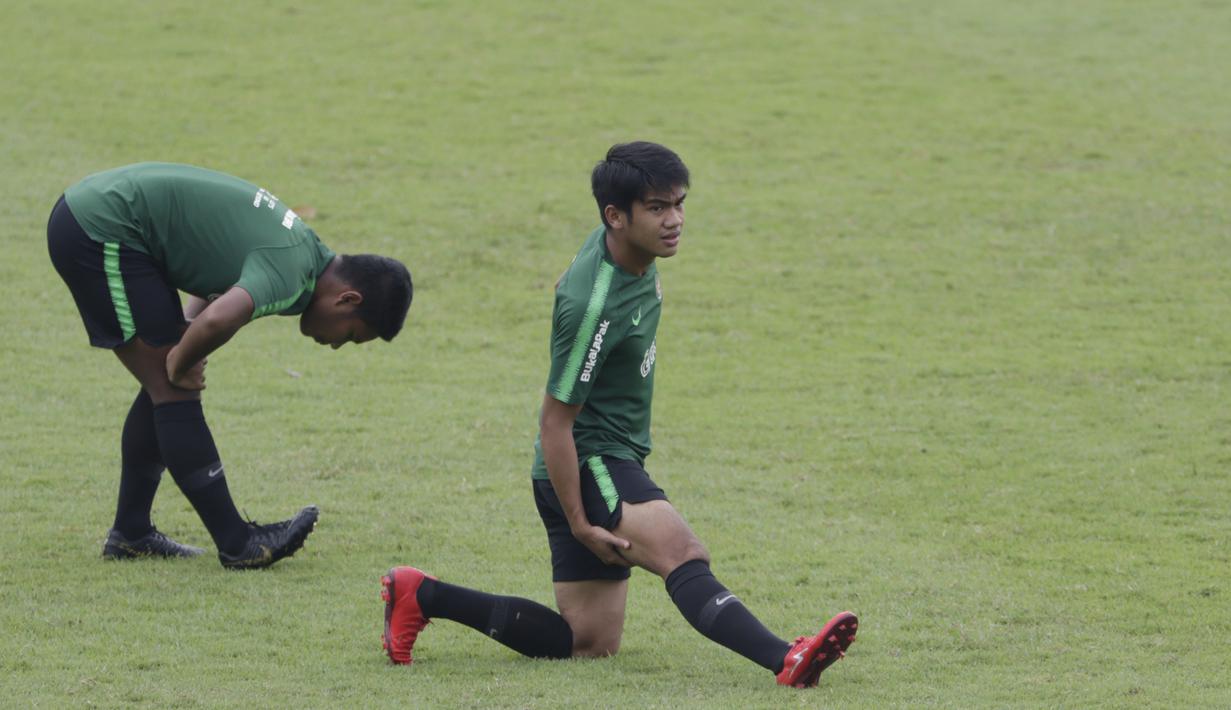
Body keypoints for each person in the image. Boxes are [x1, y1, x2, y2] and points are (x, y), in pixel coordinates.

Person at [380, 142, 855, 687]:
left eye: (678, 203)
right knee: (681, 551)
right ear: (616, 216)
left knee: (588, 642)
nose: (674, 220)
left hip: (586, 460)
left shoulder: (623, 249)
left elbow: (566, 284)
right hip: (591, 459)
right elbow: (555, 422)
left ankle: (424, 594)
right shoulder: (596, 307)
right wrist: (581, 523)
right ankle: (787, 660)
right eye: (657, 208)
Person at [48, 162, 413, 570]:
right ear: (348, 300)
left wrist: (184, 343)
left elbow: (220, 281)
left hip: (109, 220)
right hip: (101, 228)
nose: (336, 346)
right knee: (172, 385)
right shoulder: (291, 270)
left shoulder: (305, 254)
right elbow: (221, 318)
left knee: (164, 380)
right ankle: (238, 543)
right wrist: (182, 357)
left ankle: (131, 533)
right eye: (349, 336)